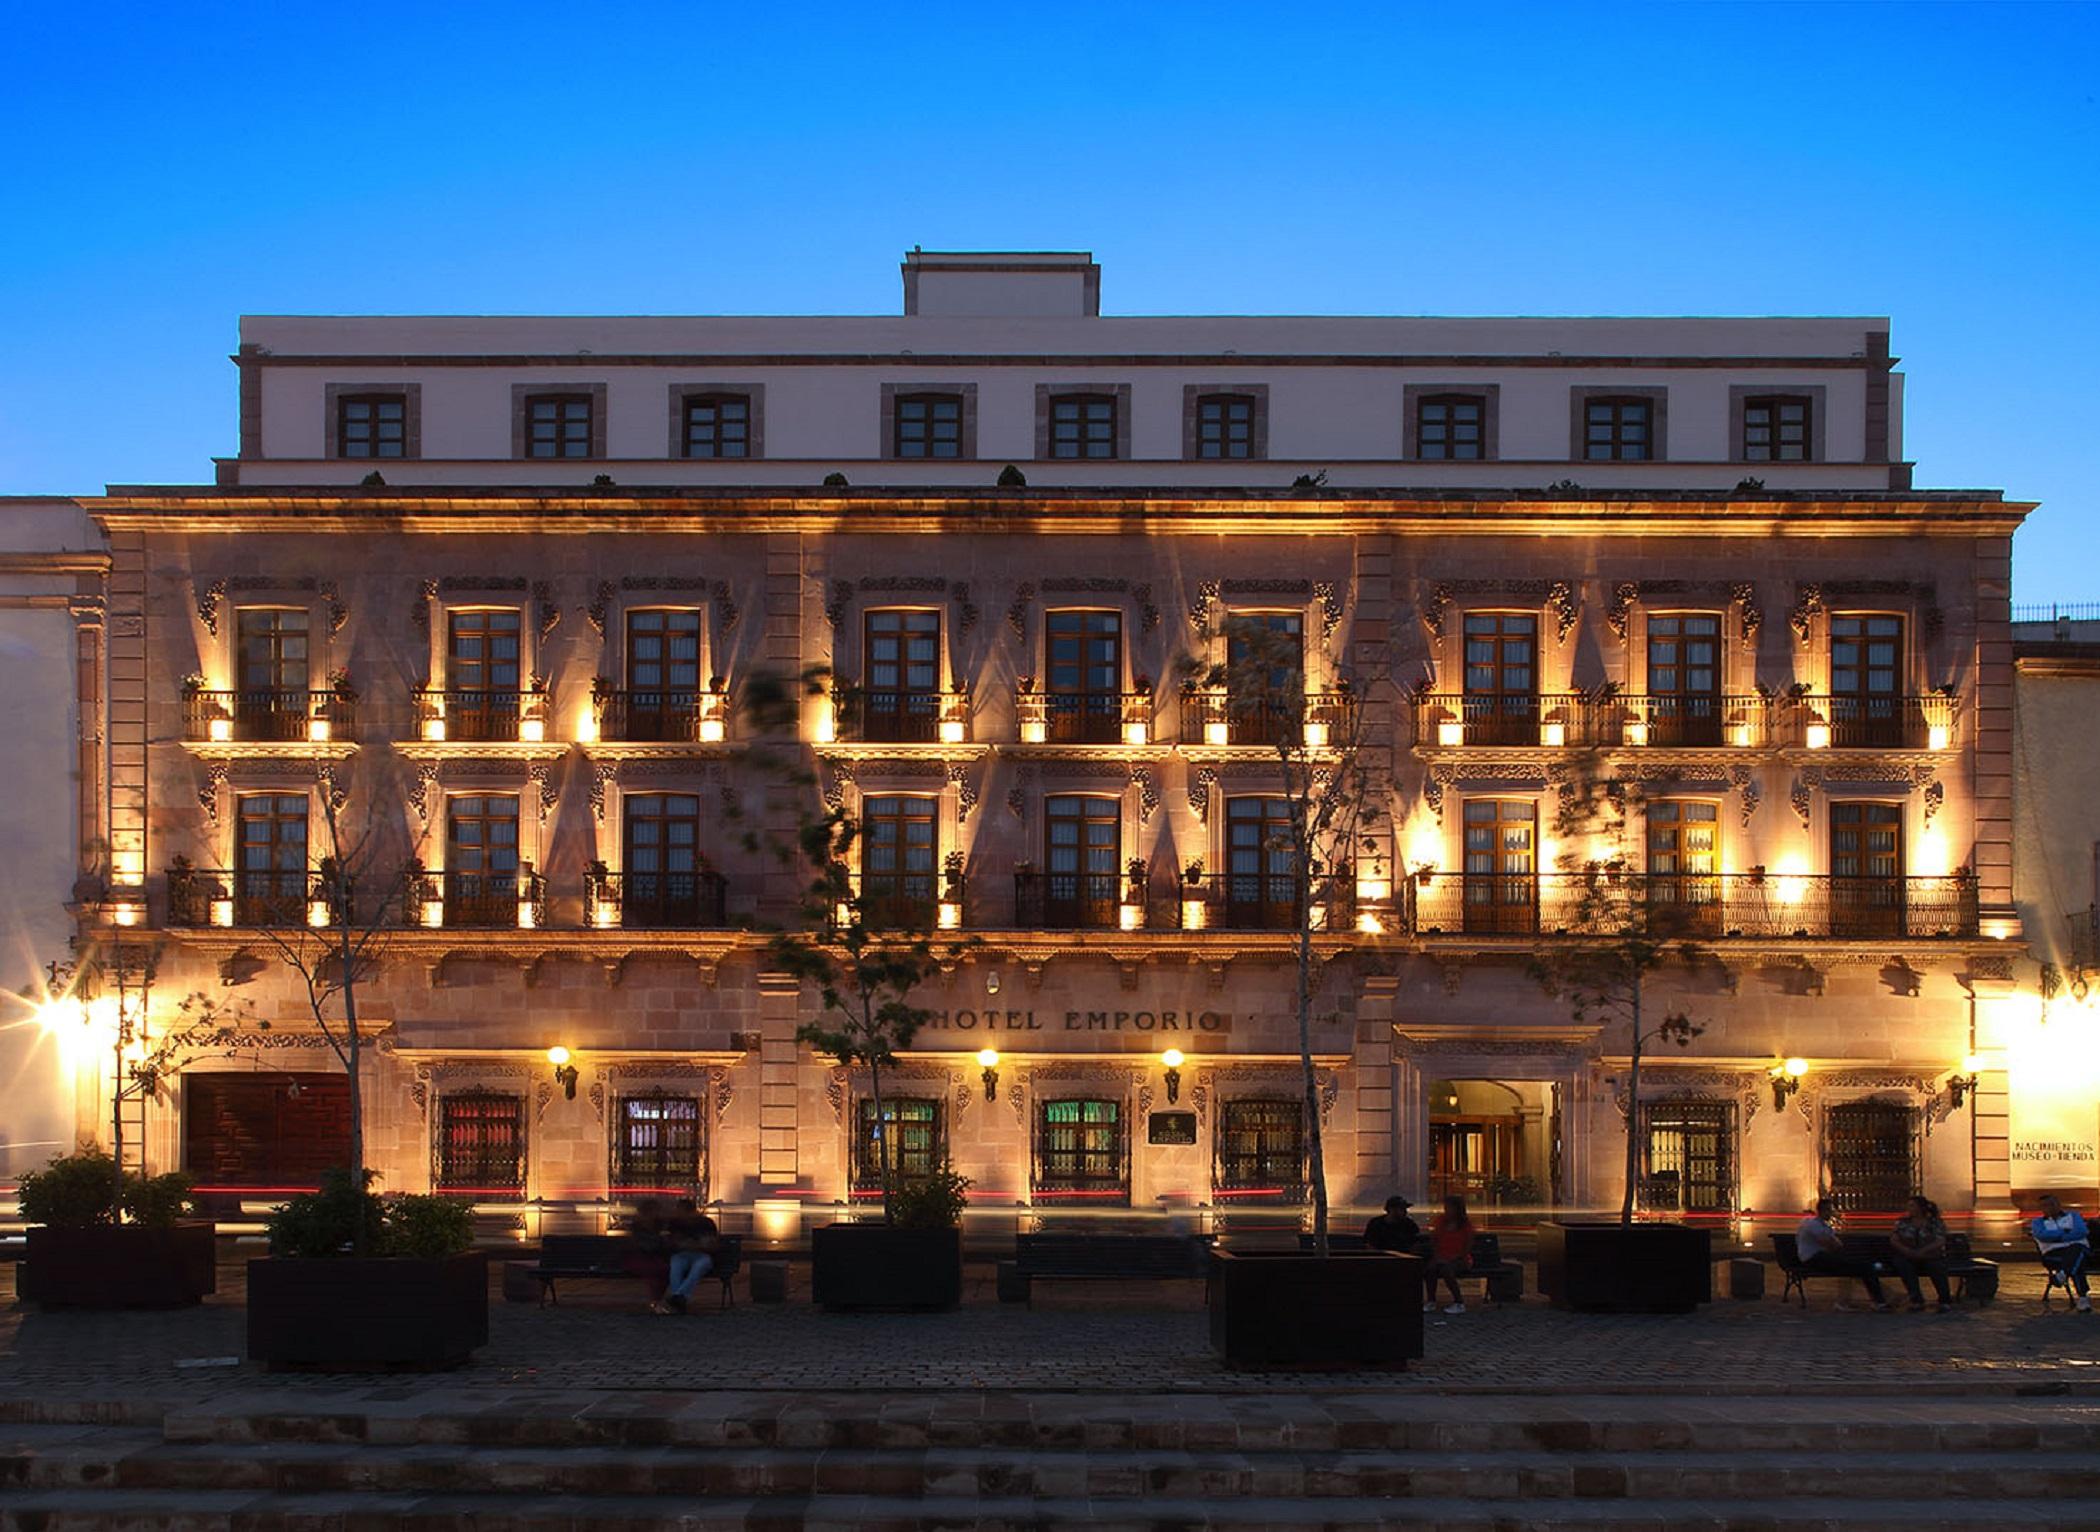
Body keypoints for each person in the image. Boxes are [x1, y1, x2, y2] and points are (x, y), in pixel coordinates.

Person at [1796, 1197, 1891, 1311]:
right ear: (1821, 1211)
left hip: (1819, 1257)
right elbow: (1830, 1243)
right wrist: (1834, 1243)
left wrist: (1834, 1243)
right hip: (1814, 1259)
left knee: (1861, 1267)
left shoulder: (1821, 1225)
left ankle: (1879, 1299)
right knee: (1862, 1267)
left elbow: (1836, 1243)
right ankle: (1879, 1300)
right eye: (1829, 1210)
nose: (1831, 1213)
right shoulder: (1813, 1224)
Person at [1889, 1195, 1953, 1312]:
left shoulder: (1934, 1223)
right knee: (1903, 1265)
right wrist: (1907, 1251)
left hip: (1930, 1255)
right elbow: (1894, 1239)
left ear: (1920, 1208)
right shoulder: (1903, 1222)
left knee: (1936, 1266)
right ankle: (1916, 1300)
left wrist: (1922, 1251)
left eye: (1912, 1206)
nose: (1908, 1208)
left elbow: (1940, 1240)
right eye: (1908, 1206)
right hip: (1908, 1255)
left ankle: (1944, 1300)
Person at [660, 1196, 721, 1315]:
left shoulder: (705, 1223)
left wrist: (691, 1244)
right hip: (685, 1253)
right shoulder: (676, 1224)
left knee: (697, 1265)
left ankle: (677, 1296)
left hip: (702, 1253)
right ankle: (680, 1298)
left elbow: (712, 1244)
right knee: (677, 1264)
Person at [2031, 1194, 2092, 1313]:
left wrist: (2056, 1237)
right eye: (2045, 1206)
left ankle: (2062, 1275)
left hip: (2078, 1249)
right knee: (2076, 1260)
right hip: (2053, 1253)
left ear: (2058, 1205)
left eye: (2052, 1204)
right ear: (2041, 1208)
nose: (2050, 1207)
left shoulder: (2073, 1216)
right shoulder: (2038, 1222)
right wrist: (2066, 1233)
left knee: (2076, 1251)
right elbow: (2042, 1236)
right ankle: (2083, 1298)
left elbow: (2082, 1232)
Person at [621, 1198, 674, 1312]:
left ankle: (656, 1301)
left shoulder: (658, 1226)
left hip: (650, 1258)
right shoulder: (639, 1227)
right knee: (657, 1270)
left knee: (663, 1270)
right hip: (639, 1258)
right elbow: (645, 1246)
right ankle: (656, 1301)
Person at [1424, 1195, 1473, 1314]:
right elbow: (1434, 1240)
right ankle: (1431, 1300)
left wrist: (1455, 1257)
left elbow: (1467, 1246)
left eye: (1449, 1207)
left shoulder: (1465, 1225)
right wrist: (1437, 1256)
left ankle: (1458, 1302)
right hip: (1442, 1257)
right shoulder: (1441, 1221)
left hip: (1460, 1259)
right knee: (1430, 1269)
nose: (1446, 1210)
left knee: (1446, 1269)